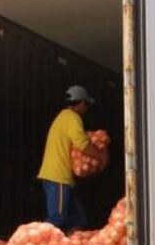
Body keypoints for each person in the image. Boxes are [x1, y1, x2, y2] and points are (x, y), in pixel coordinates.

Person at [37, 85, 108, 232]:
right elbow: (82, 144)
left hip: (64, 179)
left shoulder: (63, 117)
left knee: (77, 219)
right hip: (58, 177)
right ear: (81, 102)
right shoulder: (72, 118)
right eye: (86, 104)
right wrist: (101, 155)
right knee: (57, 218)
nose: (87, 108)